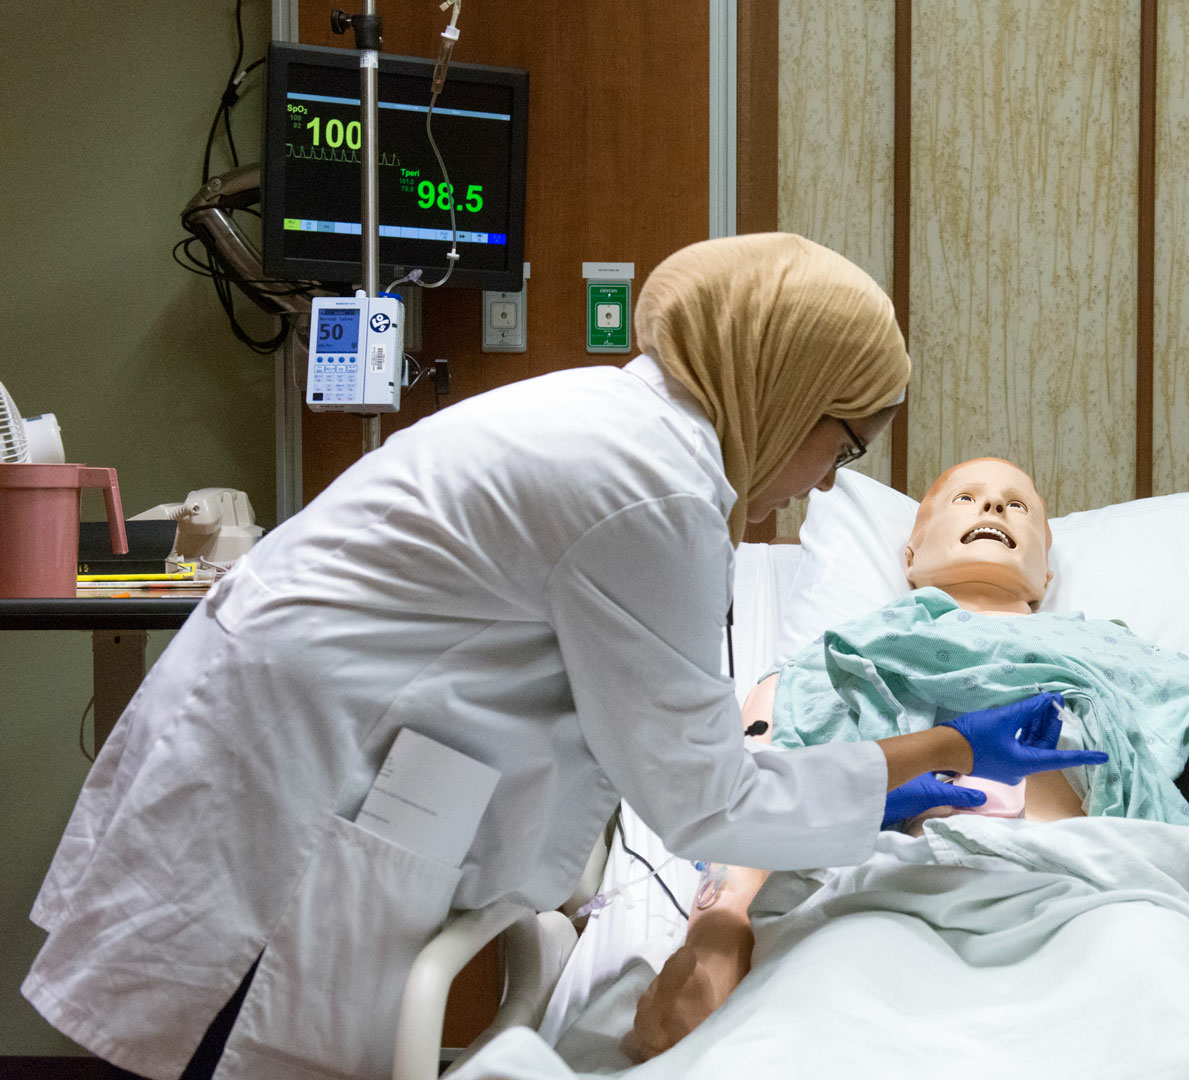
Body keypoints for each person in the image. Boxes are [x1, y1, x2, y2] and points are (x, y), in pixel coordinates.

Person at [23, 235, 1095, 1080]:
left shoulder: (624, 431)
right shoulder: (652, 494)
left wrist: (884, 784)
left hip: (289, 736)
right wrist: (934, 751)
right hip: (286, 782)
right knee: (228, 1033)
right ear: (781, 383)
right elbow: (703, 797)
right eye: (845, 440)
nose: (828, 481)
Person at [630, 459, 1189, 1059]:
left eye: (1018, 504)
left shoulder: (1133, 659)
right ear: (910, 550)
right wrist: (718, 933)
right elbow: (756, 795)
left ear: (1048, 573)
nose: (995, 507)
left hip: (1110, 897)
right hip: (893, 897)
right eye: (965, 498)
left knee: (1170, 1011)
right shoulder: (836, 660)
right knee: (825, 1021)